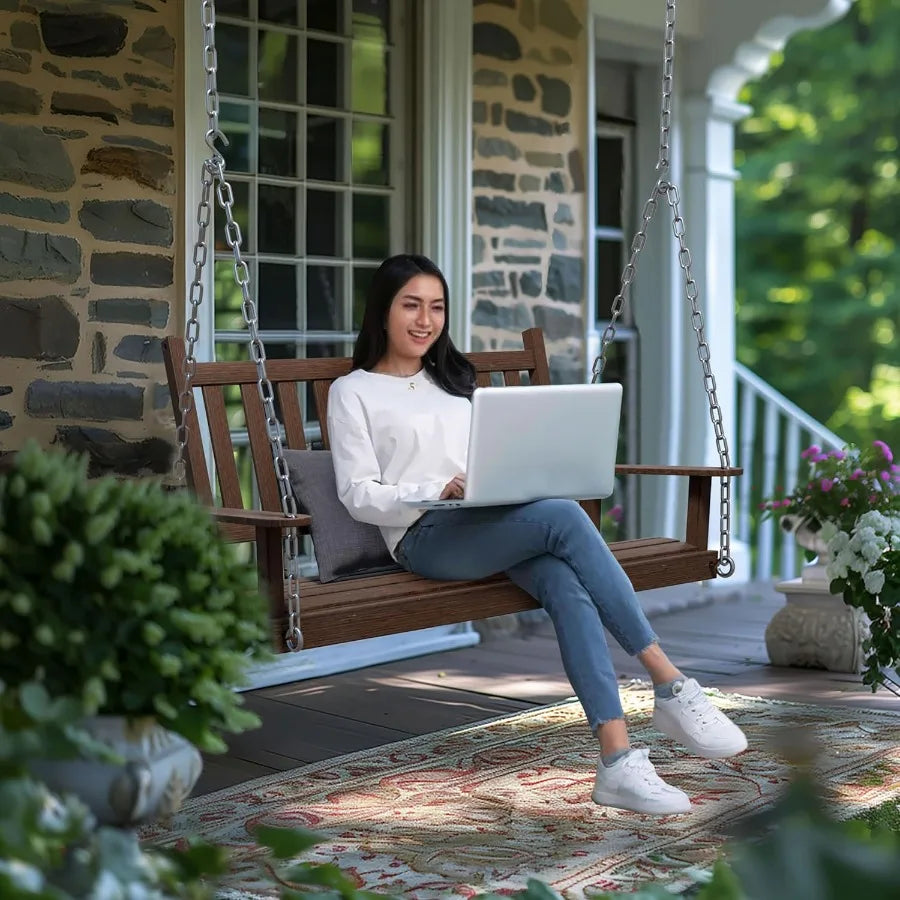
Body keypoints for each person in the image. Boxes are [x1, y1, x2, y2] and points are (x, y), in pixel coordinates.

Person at [326, 253, 747, 816]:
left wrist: (520, 471)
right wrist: (434, 487)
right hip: (424, 535)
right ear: (383, 311)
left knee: (564, 583)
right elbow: (357, 493)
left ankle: (618, 760)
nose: (425, 320)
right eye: (411, 306)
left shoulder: (452, 380)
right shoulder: (353, 392)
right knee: (565, 517)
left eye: (437, 308)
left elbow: (494, 456)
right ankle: (669, 682)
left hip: (491, 519)